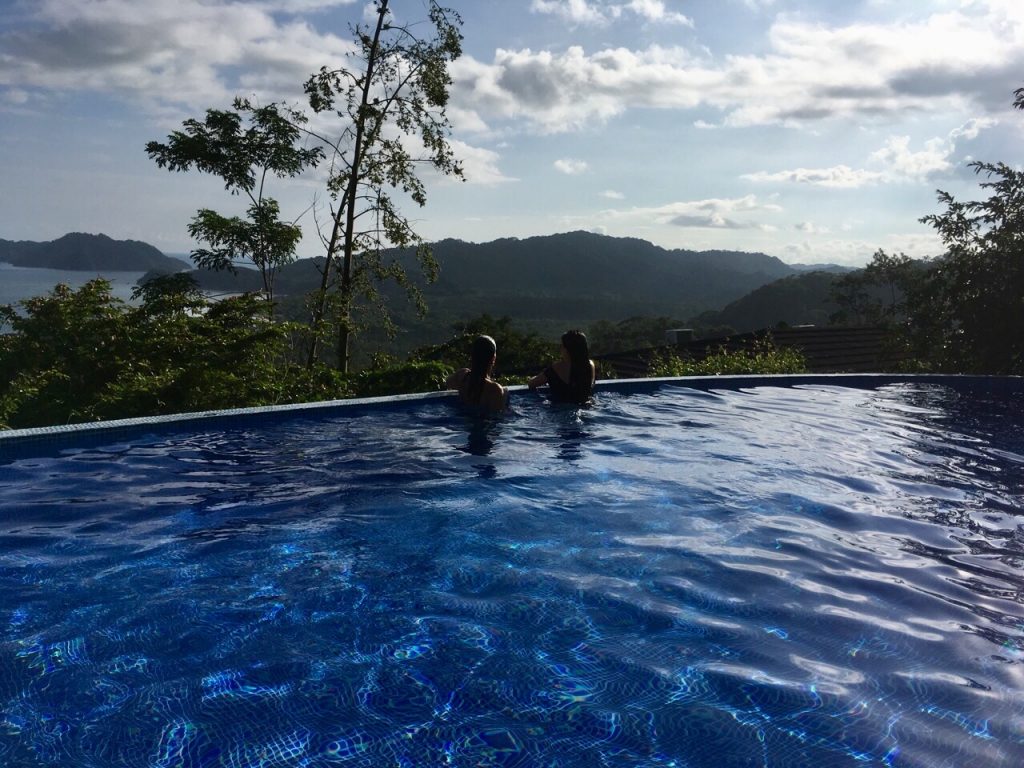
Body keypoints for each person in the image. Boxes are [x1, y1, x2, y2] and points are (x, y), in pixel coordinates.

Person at [529, 329, 596, 404]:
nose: (560, 348)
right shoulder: (590, 365)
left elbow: (531, 384)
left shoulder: (557, 367)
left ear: (567, 350)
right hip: (586, 406)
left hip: (560, 407)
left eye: (562, 346)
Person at [446, 334, 507, 412]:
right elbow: (498, 416)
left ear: (473, 356)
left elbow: (448, 382)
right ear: (493, 359)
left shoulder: (462, 375)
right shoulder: (495, 390)